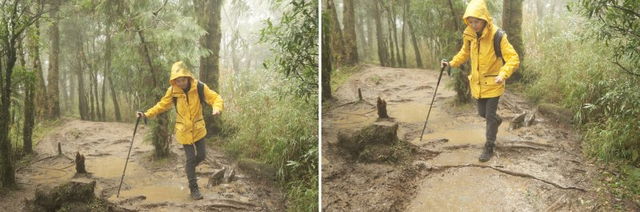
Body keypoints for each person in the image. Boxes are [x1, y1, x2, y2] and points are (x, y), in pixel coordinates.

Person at [441, 0, 520, 162]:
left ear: (485, 19)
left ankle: (489, 146)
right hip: (477, 84)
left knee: (489, 116)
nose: (474, 25)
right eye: (470, 22)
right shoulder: (469, 35)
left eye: (476, 22)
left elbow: (513, 58)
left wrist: (503, 74)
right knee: (482, 113)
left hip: (494, 83)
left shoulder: (497, 35)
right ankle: (497, 120)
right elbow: (464, 53)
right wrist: (451, 63)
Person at [136, 61, 223, 200]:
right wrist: (146, 114)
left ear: (188, 77)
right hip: (183, 131)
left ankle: (189, 169)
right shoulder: (172, 91)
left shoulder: (200, 87)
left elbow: (215, 97)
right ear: (174, 80)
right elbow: (161, 105)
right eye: (178, 80)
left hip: (198, 129)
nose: (181, 83)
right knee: (190, 159)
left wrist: (217, 108)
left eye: (183, 80)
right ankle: (194, 189)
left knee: (201, 155)